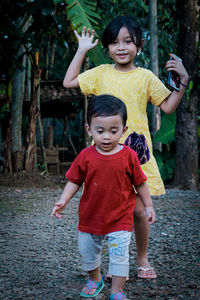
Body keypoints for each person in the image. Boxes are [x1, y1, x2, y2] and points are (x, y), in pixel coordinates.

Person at [63, 16, 189, 279]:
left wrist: (184, 82)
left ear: (139, 46)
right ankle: (116, 265)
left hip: (137, 154)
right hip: (105, 156)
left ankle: (142, 260)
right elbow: (69, 82)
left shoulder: (145, 76)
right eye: (115, 42)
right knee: (109, 207)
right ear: (107, 47)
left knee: (140, 210)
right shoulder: (99, 73)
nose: (121, 47)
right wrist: (82, 49)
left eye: (128, 42)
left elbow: (167, 106)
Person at [51, 95, 156, 300]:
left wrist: (148, 205)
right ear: (89, 129)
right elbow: (74, 180)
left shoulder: (128, 156)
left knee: (119, 258)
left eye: (113, 131)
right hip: (90, 218)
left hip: (120, 219)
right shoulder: (85, 156)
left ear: (124, 130)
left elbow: (140, 183)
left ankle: (117, 291)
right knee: (88, 253)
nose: (106, 137)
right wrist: (63, 200)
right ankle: (95, 279)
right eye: (100, 131)